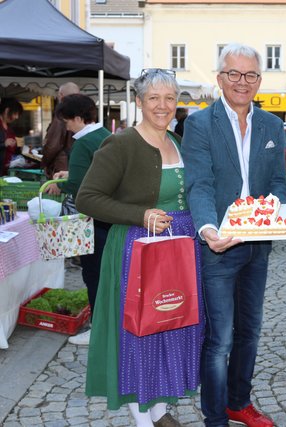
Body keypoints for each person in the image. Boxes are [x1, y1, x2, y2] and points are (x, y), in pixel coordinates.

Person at [76, 68, 204, 427]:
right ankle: (141, 414)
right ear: (139, 102)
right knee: (138, 330)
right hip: (137, 249)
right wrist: (138, 214)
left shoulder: (177, 142)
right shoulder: (122, 144)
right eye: (153, 98)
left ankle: (160, 407)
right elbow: (86, 197)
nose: (162, 105)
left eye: (169, 98)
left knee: (169, 325)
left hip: (178, 249)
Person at [182, 43, 286, 427]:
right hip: (219, 247)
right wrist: (209, 230)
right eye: (234, 74)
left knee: (251, 332)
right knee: (220, 339)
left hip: (257, 245)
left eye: (250, 75)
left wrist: (273, 210)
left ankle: (238, 402)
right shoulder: (199, 124)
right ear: (220, 77)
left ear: (259, 79)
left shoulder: (272, 126)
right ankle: (215, 417)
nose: (242, 82)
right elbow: (200, 184)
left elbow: (277, 181)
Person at [53, 94, 112, 346]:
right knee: (108, 273)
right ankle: (109, 324)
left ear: (78, 118)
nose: (65, 126)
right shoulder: (107, 136)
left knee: (92, 274)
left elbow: (77, 184)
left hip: (93, 218)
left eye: (67, 121)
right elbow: (95, 171)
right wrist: (73, 172)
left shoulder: (82, 143)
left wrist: (60, 183)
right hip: (112, 216)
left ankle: (97, 330)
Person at [42, 82, 80, 182]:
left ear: (60, 95)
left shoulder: (62, 114)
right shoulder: (82, 112)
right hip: (75, 165)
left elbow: (52, 146)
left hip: (61, 167)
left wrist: (44, 163)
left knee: (58, 196)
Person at [0, 98, 23, 176]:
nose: (16, 117)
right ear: (7, 111)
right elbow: (5, 145)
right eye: (15, 113)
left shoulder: (9, 128)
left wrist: (20, 148)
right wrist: (4, 144)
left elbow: (12, 148)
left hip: (6, 170)